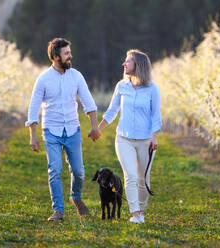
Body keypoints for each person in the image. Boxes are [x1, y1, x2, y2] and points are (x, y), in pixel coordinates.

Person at [26, 38, 101, 221]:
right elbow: (33, 107)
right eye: (66, 53)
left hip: (73, 130)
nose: (70, 56)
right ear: (55, 57)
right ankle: (58, 210)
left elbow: (88, 101)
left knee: (79, 171)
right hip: (51, 130)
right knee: (55, 169)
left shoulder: (76, 76)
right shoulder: (43, 79)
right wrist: (33, 136)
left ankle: (75, 197)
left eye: (69, 52)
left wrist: (94, 126)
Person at [98, 49, 162, 224]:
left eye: (128, 61)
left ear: (138, 65)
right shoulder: (121, 86)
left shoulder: (152, 89)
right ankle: (135, 213)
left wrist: (154, 137)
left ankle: (141, 211)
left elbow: (156, 116)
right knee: (131, 176)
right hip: (123, 139)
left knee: (143, 178)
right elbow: (112, 111)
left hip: (145, 141)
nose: (124, 64)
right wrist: (99, 128)